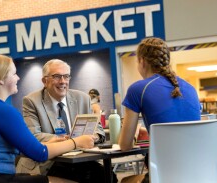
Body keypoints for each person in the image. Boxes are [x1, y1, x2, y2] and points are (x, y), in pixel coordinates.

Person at [0, 54, 95, 183]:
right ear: (1, 79)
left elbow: (24, 148)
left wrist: (54, 142)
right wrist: (76, 142)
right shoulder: (2, 110)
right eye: (14, 74)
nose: (18, 78)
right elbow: (40, 154)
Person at [16, 59, 117, 183]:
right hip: (48, 163)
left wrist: (92, 137)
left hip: (80, 160)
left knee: (109, 177)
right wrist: (72, 141)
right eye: (57, 76)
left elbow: (99, 131)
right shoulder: (32, 101)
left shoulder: (82, 98)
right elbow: (33, 136)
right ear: (44, 81)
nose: (63, 81)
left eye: (66, 76)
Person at [118, 37, 201, 182]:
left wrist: (136, 134)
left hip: (164, 175)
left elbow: (125, 145)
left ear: (142, 61)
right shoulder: (191, 89)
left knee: (125, 181)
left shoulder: (138, 89)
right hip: (198, 173)